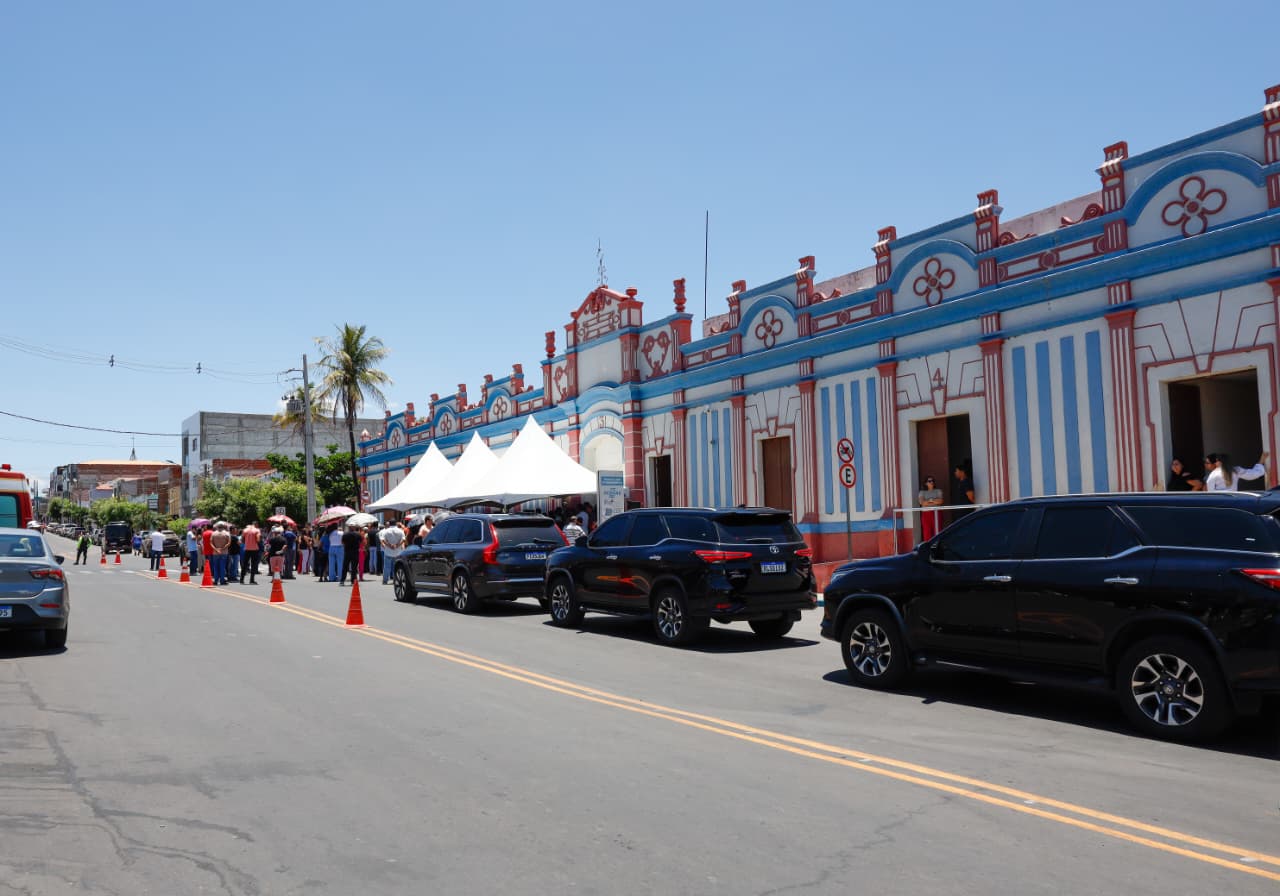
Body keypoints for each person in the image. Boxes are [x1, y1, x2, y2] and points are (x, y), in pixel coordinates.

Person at [1205, 452, 1269, 492]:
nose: (1215, 463)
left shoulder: (1213, 474)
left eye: (1216, 461)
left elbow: (1211, 492)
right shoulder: (1236, 470)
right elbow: (1252, 474)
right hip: (1233, 501)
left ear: (1218, 462)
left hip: (1220, 503)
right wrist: (1261, 461)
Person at [918, 476, 944, 541]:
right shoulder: (922, 492)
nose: (931, 482)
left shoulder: (938, 491)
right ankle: (928, 546)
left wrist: (929, 501)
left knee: (938, 531)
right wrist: (934, 501)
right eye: (929, 481)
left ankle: (938, 545)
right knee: (927, 532)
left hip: (937, 513)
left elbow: (940, 501)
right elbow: (922, 503)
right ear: (926, 483)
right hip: (926, 514)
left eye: (933, 481)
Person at [379, 520, 406, 585]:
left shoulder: (386, 531)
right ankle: (395, 580)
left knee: (386, 567)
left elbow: (383, 540)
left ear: (389, 524)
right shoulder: (400, 531)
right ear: (396, 523)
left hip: (388, 551)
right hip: (397, 552)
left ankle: (385, 580)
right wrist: (397, 545)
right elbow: (403, 540)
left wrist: (389, 545)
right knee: (396, 567)